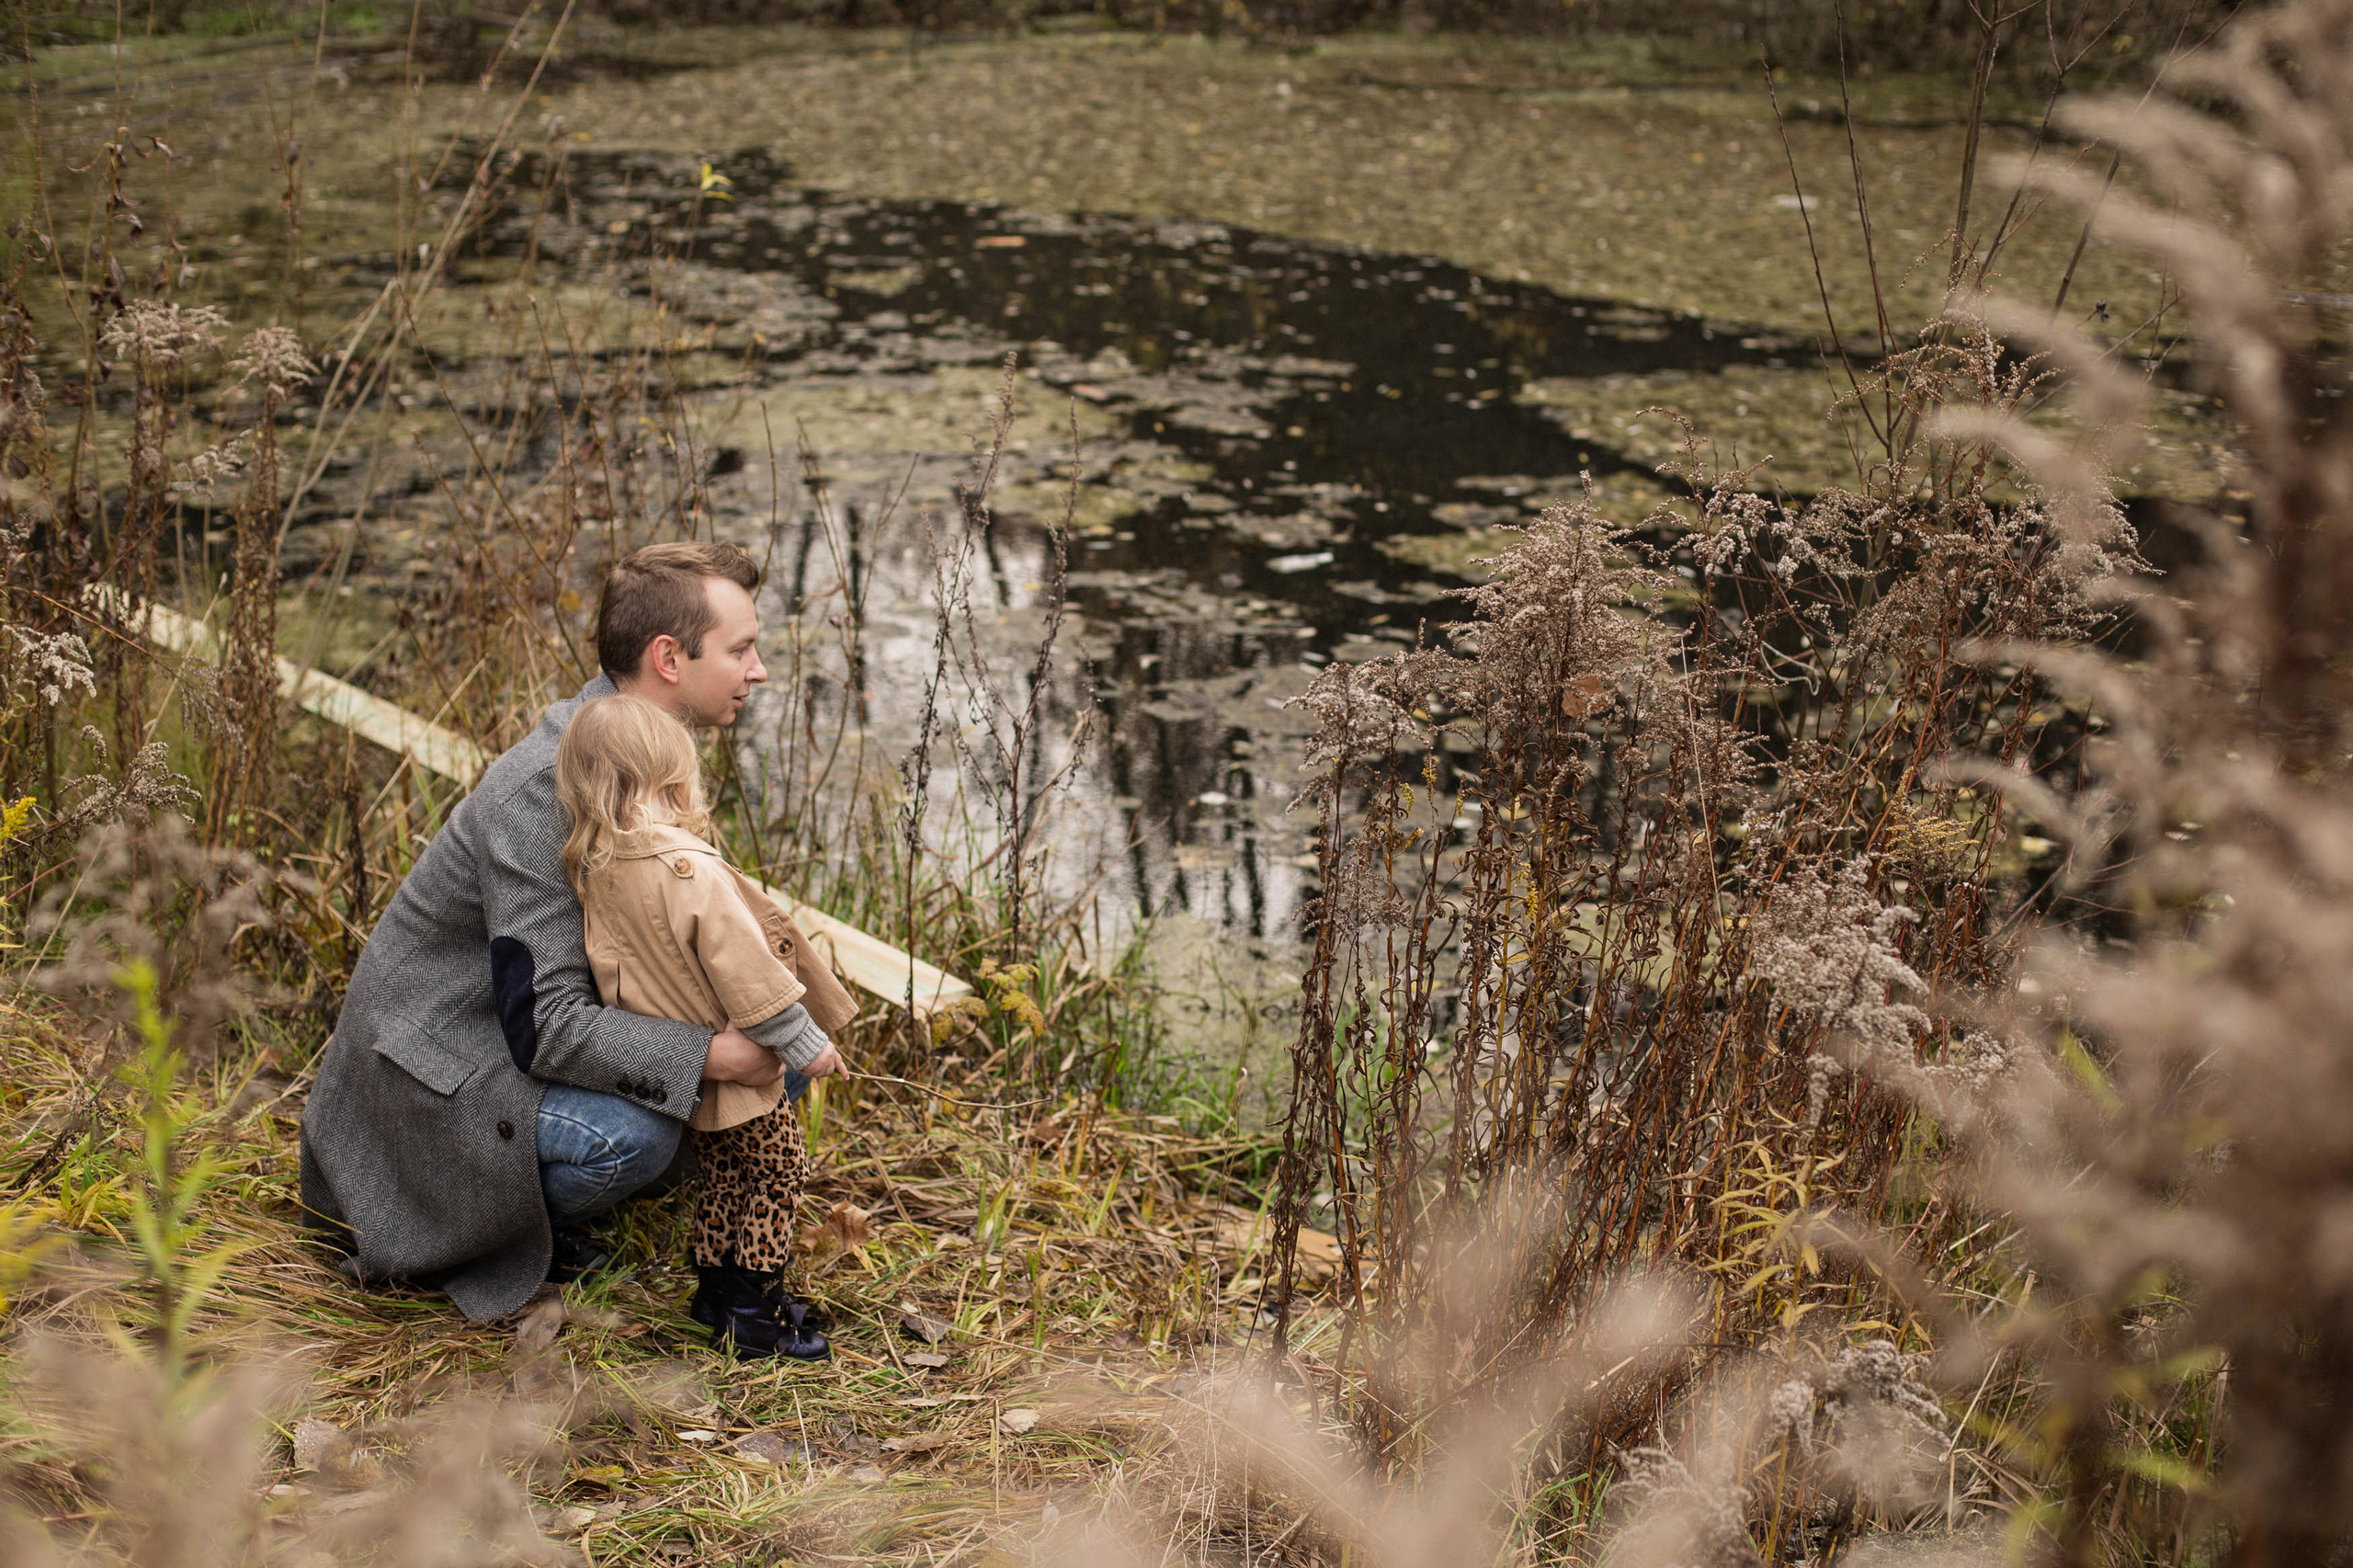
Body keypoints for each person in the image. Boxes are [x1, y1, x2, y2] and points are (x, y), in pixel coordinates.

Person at [299, 540, 844, 1346]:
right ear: (668, 657)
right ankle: (486, 1225)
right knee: (639, 1134)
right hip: (439, 1070)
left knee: (781, 1063)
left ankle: (653, 1232)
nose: (758, 670)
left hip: (516, 1038)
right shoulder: (540, 792)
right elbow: (544, 1022)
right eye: (740, 650)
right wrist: (707, 1057)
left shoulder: (633, 752)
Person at [554, 692, 856, 1359]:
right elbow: (747, 973)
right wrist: (809, 1046)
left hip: (684, 1070)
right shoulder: (688, 869)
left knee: (723, 1181)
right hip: (732, 1063)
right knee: (777, 1177)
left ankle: (713, 1295)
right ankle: (754, 1311)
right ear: (668, 775)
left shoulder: (598, 869)